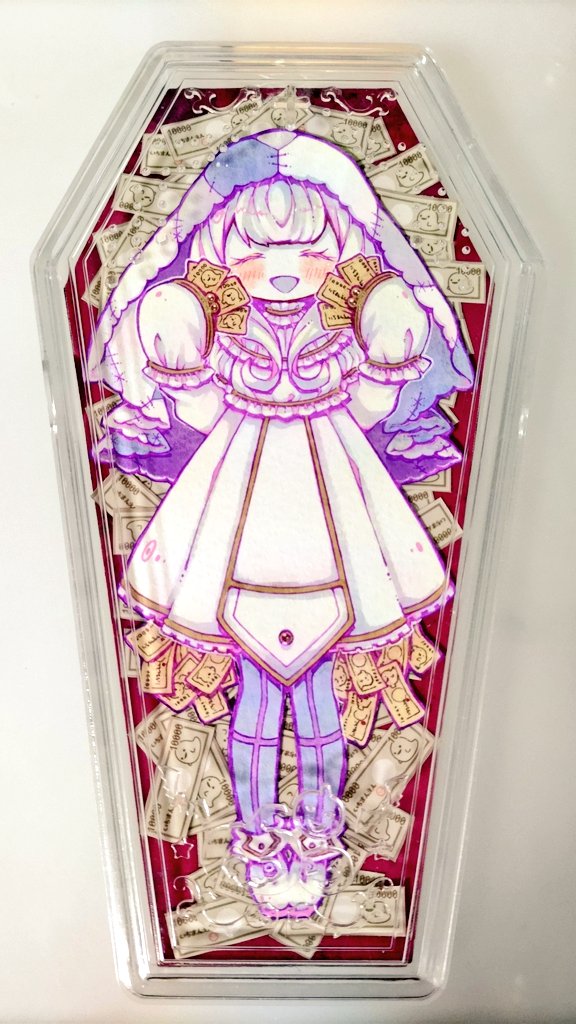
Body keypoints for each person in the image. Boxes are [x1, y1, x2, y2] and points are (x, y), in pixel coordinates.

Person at [89, 128, 474, 916]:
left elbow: (371, 410)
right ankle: (259, 835)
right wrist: (179, 356)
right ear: (223, 259)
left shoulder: (337, 335)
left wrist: (388, 349)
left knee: (320, 692)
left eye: (311, 253)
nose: (287, 272)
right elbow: (201, 413)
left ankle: (320, 834)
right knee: (260, 698)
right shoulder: (229, 335)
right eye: (259, 255)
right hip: (235, 512)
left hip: (337, 516)